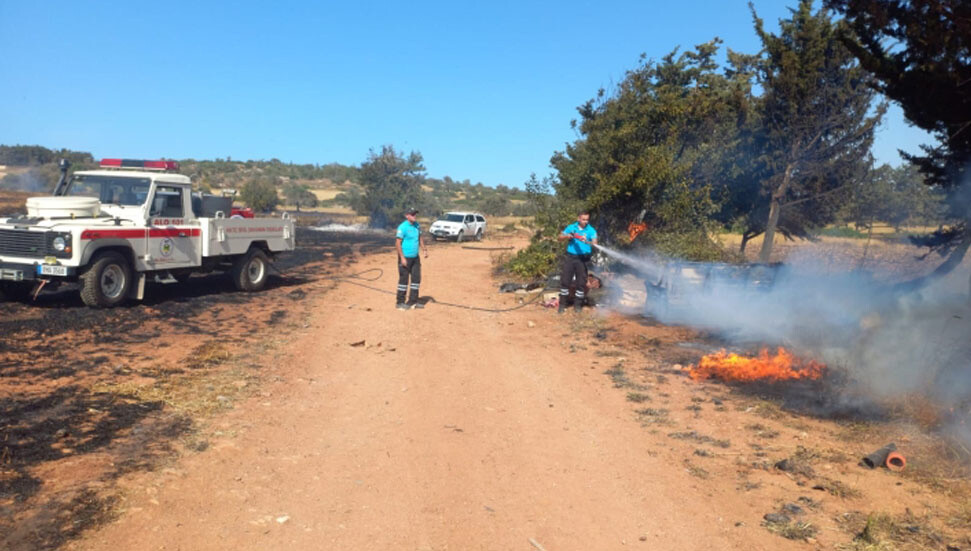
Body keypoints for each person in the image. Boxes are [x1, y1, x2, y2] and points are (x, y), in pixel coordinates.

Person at [557, 210, 598, 313]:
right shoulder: (571, 227)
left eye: (587, 220)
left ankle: (578, 306)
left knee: (581, 283)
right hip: (570, 257)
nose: (585, 222)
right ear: (578, 219)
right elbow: (559, 237)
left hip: (583, 259)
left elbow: (595, 243)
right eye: (583, 219)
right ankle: (562, 305)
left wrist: (587, 241)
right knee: (565, 281)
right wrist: (567, 236)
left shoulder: (591, 230)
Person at [395, 207, 428, 310]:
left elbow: (420, 238)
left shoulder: (417, 225)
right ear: (407, 216)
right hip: (405, 258)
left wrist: (424, 249)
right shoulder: (402, 227)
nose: (415, 216)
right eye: (412, 214)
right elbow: (397, 243)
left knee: (416, 279)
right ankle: (400, 302)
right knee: (403, 280)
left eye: (415, 214)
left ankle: (413, 302)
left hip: (415, 258)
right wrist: (402, 258)